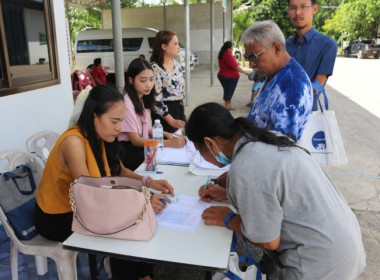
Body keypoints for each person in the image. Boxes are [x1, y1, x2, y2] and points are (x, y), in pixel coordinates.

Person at [186, 102, 366, 280]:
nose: (202, 157)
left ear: (210, 143)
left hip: (322, 264)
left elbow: (268, 241)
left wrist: (228, 218)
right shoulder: (263, 138)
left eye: (199, 150)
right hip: (346, 245)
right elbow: (274, 189)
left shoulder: (246, 167)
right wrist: (229, 190)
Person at [34, 84, 173, 280]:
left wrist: (148, 182)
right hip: (58, 215)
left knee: (132, 220)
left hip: (85, 205)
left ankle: (144, 275)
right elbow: (92, 193)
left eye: (122, 121)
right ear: (94, 117)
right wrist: (143, 199)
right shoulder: (74, 142)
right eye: (114, 121)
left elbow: (119, 170)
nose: (119, 128)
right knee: (122, 228)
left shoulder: (100, 135)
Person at [242, 20, 313, 142]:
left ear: (276, 49)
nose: (251, 64)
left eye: (254, 57)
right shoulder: (273, 75)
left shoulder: (292, 87)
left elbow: (280, 148)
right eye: (247, 57)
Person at [118, 58, 186, 171]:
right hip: (129, 152)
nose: (148, 85)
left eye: (151, 79)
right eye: (143, 80)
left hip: (141, 148)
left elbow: (147, 128)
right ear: (131, 80)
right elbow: (135, 140)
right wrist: (168, 143)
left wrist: (168, 134)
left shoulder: (142, 99)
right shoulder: (126, 104)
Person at [286, 0, 338, 111]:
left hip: (308, 117)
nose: (298, 12)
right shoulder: (283, 46)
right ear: (288, 11)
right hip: (279, 114)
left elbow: (317, 86)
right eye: (293, 7)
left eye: (303, 6)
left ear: (314, 9)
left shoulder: (327, 45)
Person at [150, 30, 186, 133]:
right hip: (164, 115)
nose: (178, 46)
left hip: (179, 108)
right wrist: (171, 121)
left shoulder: (177, 64)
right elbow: (156, 100)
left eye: (178, 43)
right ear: (164, 47)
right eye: (175, 44)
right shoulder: (154, 68)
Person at [217, 41, 250, 110]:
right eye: (232, 46)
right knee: (229, 91)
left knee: (227, 90)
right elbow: (235, 67)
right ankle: (227, 107)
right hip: (229, 77)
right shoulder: (228, 54)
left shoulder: (222, 53)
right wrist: (244, 72)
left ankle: (228, 105)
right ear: (229, 47)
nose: (233, 47)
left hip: (223, 75)